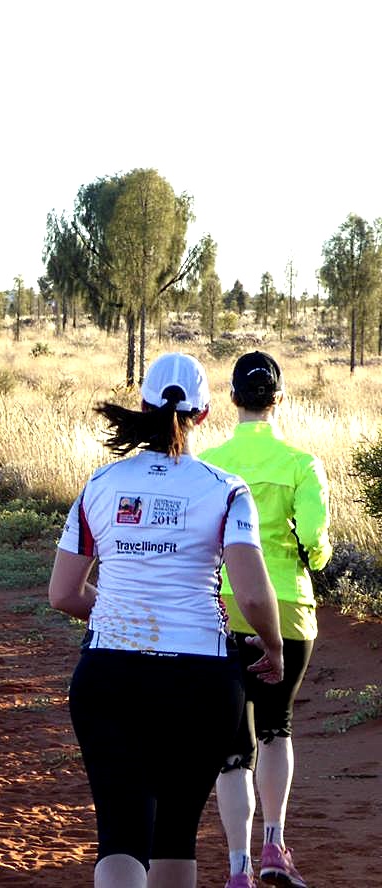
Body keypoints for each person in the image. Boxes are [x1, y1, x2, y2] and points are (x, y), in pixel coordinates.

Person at [47, 352, 284, 888]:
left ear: (146, 406)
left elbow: (63, 593)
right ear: (203, 415)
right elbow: (249, 589)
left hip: (108, 674)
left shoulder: (100, 484)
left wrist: (117, 612)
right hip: (201, 679)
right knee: (175, 831)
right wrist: (273, 645)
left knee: (121, 833)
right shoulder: (226, 488)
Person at [201, 352, 332, 888]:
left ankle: (238, 869)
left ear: (232, 399)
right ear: (279, 398)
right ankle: (275, 844)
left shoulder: (211, 464)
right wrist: (309, 558)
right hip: (291, 614)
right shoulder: (302, 465)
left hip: (220, 614)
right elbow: (319, 548)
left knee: (233, 749)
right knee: (278, 728)